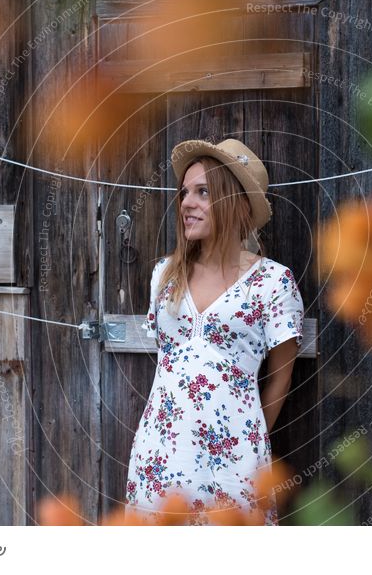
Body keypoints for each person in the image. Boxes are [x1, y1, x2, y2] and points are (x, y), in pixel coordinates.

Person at [124, 138, 305, 525]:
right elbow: (170, 366)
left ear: (234, 202)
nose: (186, 202)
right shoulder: (165, 275)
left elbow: (279, 380)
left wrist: (245, 442)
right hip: (160, 457)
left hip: (233, 464)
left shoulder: (273, 282)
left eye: (203, 192)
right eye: (185, 192)